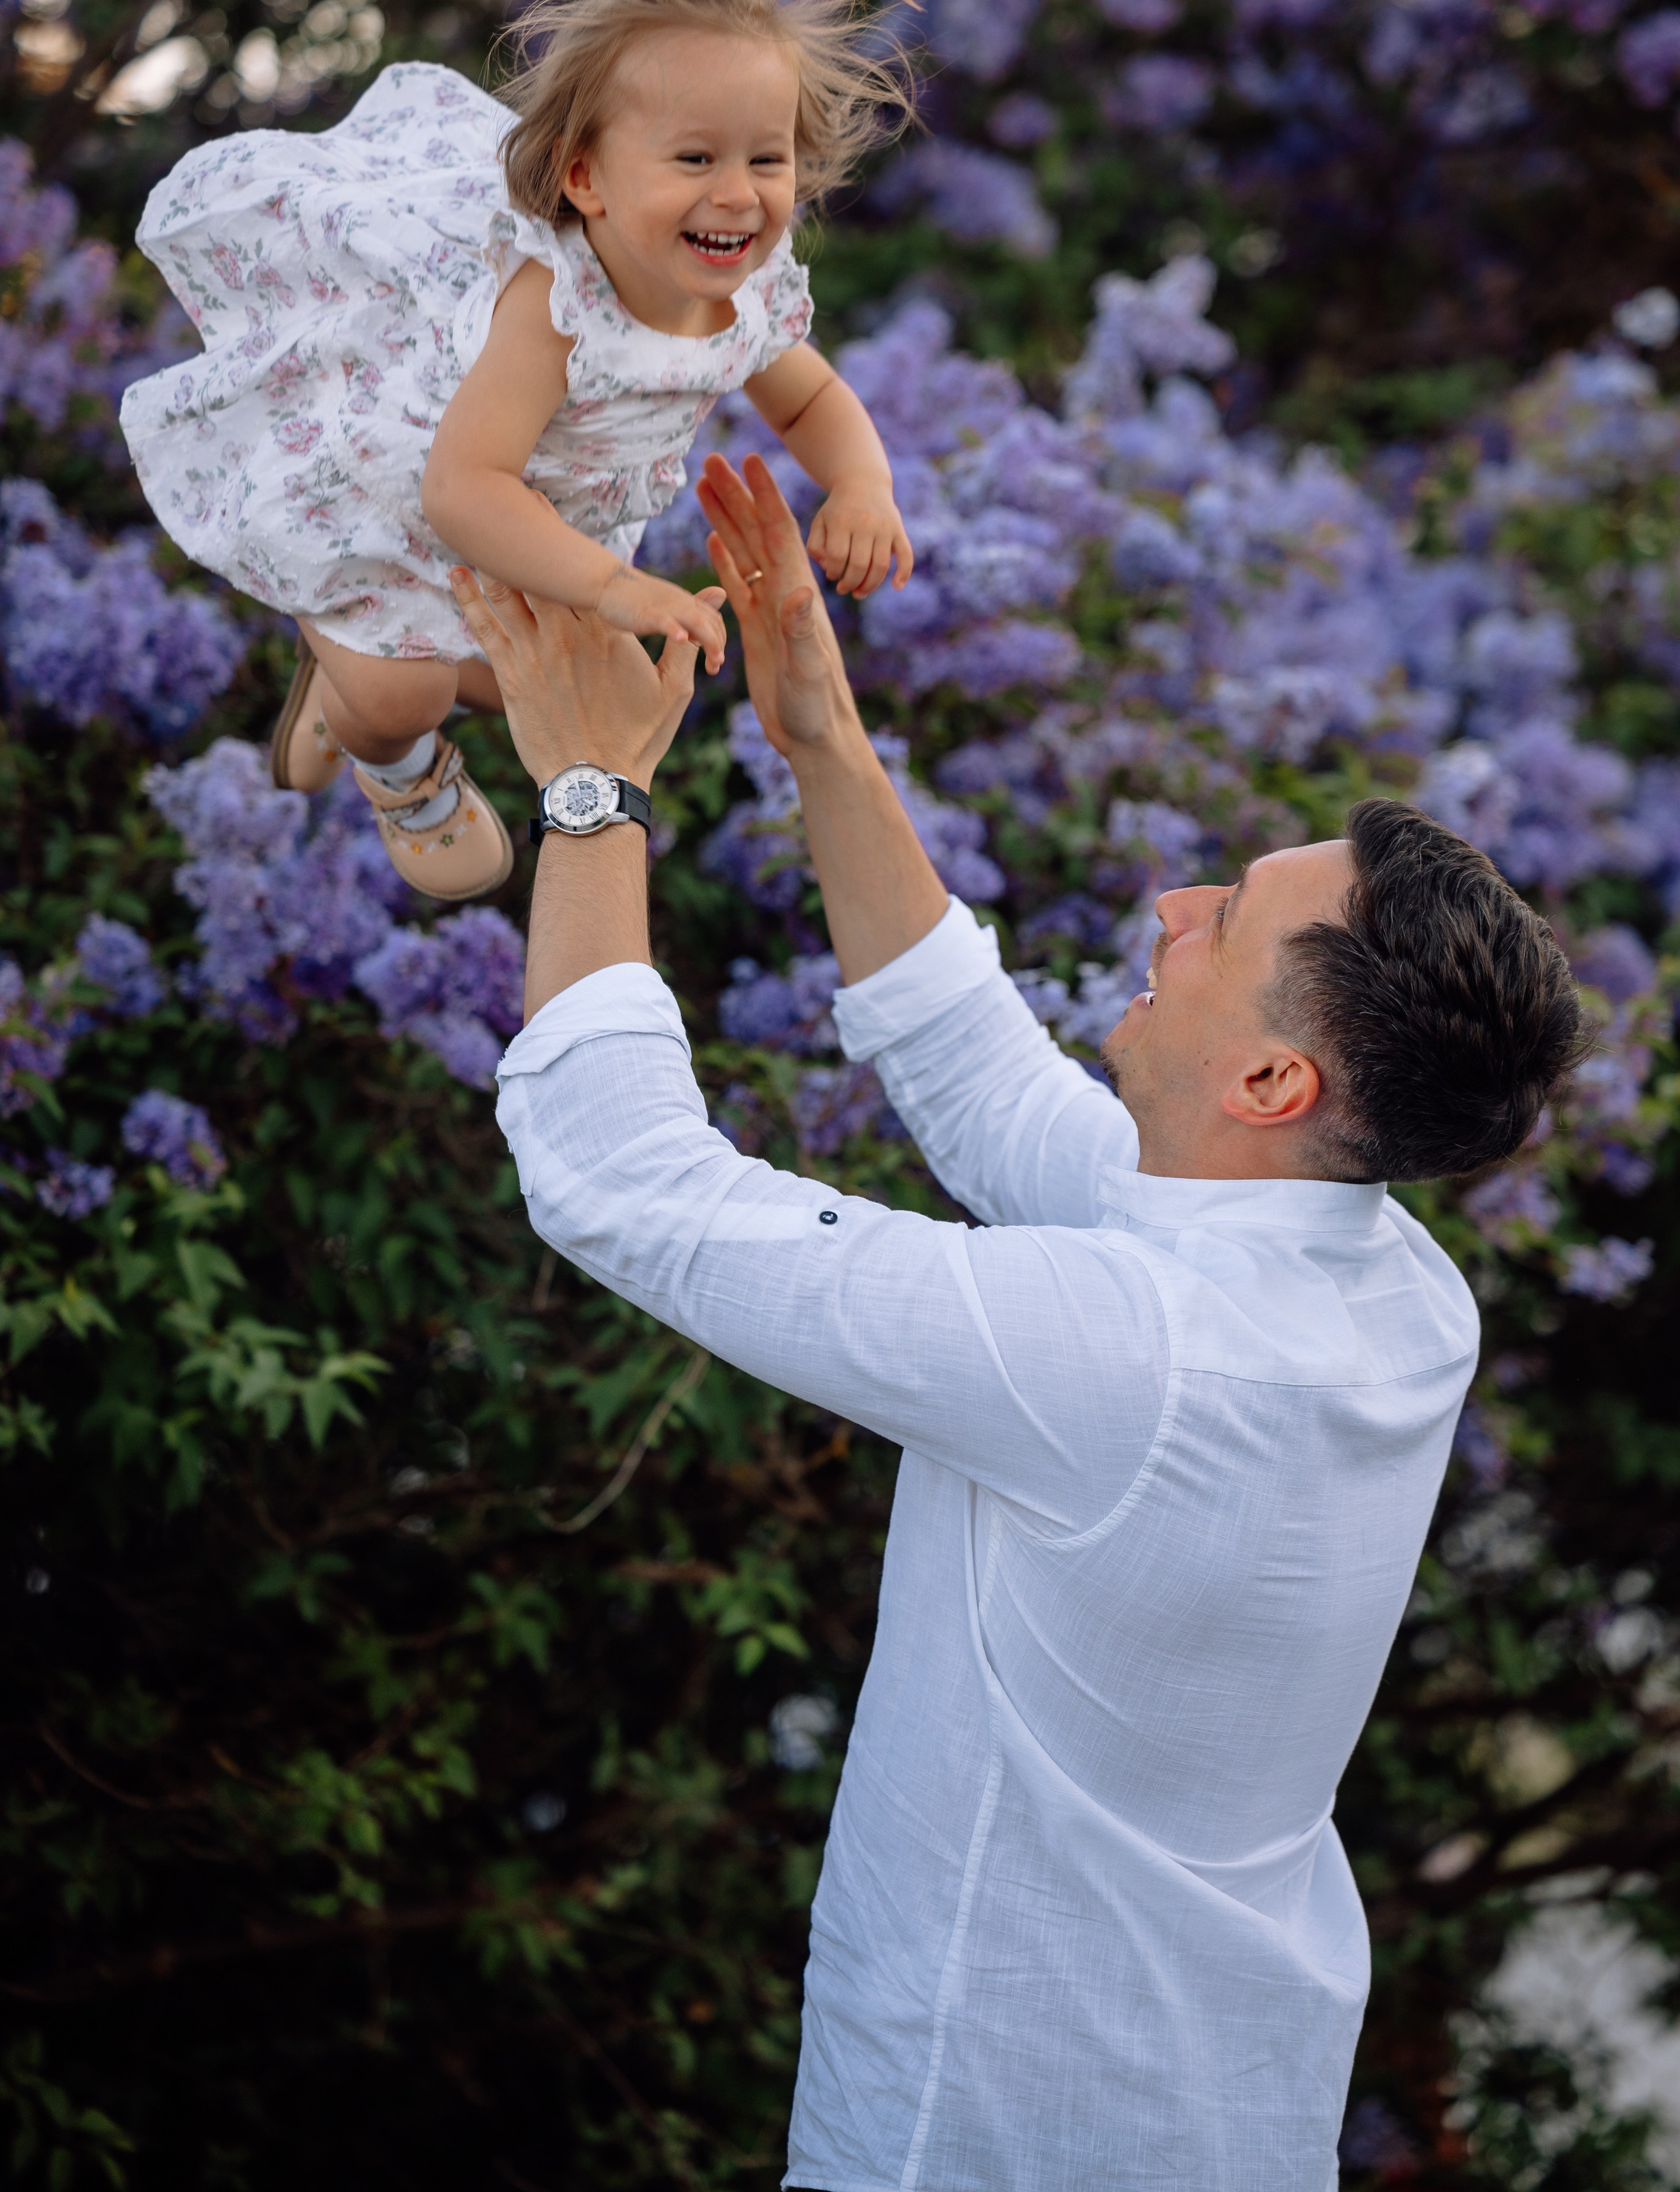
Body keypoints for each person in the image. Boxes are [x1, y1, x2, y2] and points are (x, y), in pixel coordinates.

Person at [459, 453, 1589, 2192]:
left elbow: (621, 1179)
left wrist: (593, 787)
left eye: (1223, 918)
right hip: (1219, 2115)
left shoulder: (1133, 1350)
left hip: (983, 2125)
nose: (1170, 907)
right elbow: (995, 1097)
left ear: (1277, 1074)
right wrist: (821, 732)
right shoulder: (1387, 1283)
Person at [118, 0, 915, 903]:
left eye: (765, 159)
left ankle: (359, 669)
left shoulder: (749, 290)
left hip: (552, 528)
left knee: (616, 699)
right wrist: (615, 584)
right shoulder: (555, 309)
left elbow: (810, 393)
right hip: (426, 492)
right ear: (585, 178)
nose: (738, 194)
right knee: (401, 691)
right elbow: (462, 490)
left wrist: (863, 483)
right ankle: (387, 742)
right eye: (694, 159)